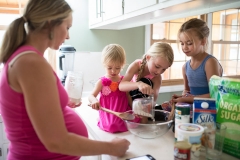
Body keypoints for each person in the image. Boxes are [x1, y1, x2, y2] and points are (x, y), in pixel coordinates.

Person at [0, 0, 129, 160]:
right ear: (50, 23)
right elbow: (55, 140)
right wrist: (111, 147)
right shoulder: (31, 63)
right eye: (67, 27)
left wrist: (59, 104)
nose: (68, 35)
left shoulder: (27, 59)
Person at [119, 42, 174, 122]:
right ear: (148, 58)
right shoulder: (136, 65)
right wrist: (138, 84)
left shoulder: (157, 78)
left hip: (142, 109)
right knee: (144, 81)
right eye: (157, 66)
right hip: (127, 102)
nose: (159, 72)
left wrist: (146, 107)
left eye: (163, 69)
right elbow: (121, 86)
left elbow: (153, 101)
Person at [172, 18, 223, 104]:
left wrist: (186, 99)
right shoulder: (185, 67)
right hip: (194, 111)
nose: (184, 47)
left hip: (210, 113)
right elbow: (187, 91)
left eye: (189, 43)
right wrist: (182, 97)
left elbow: (215, 94)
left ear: (203, 41)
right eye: (182, 43)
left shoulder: (209, 62)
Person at [88, 44, 134, 133]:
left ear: (122, 65)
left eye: (117, 68)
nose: (113, 71)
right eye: (109, 68)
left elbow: (128, 96)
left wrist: (133, 109)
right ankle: (100, 119)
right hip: (108, 113)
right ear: (104, 64)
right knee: (112, 126)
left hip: (122, 112)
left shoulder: (124, 81)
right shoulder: (102, 82)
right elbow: (91, 95)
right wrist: (94, 100)